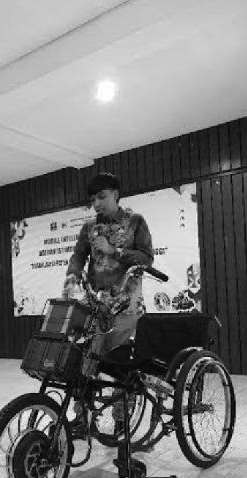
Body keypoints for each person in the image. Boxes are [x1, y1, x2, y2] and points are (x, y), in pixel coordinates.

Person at [62, 172, 154, 434]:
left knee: (122, 365)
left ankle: (121, 421)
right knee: (85, 360)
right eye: (93, 199)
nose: (96, 204)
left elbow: (147, 259)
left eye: (101, 197)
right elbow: (78, 256)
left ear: (115, 194)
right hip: (96, 303)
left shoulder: (135, 221)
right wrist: (72, 275)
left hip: (127, 305)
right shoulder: (89, 228)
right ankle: (82, 418)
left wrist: (115, 251)